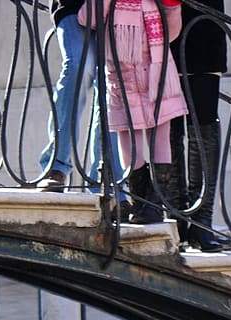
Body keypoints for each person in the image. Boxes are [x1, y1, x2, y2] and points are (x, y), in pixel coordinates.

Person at [80, 0, 187, 224]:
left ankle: (154, 203)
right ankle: (140, 202)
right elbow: (87, 19)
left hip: (156, 74)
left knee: (160, 137)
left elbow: (172, 32)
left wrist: (172, 5)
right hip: (123, 78)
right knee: (128, 140)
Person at [38, 0, 123, 198]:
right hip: (72, 7)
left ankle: (106, 178)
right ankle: (56, 166)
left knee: (110, 82)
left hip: (117, 10)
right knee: (78, 66)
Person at [170, 0, 227, 250]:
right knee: (169, 130)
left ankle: (201, 221)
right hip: (163, 30)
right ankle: (176, 217)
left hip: (204, 28)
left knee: (203, 126)